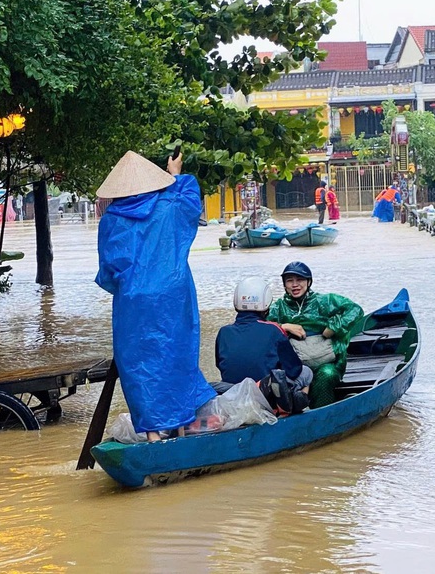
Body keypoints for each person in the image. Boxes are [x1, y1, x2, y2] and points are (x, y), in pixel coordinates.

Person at [96, 150, 216, 441]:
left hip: (133, 300)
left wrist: (130, 289)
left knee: (138, 364)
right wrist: (174, 173)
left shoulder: (111, 219)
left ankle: (152, 435)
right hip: (173, 296)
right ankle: (180, 428)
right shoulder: (171, 204)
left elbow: (109, 271)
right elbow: (190, 197)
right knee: (177, 355)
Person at [267, 262, 364, 409]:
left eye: (299, 280)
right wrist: (284, 327)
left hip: (326, 362)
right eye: (289, 280)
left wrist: (333, 327)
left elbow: (355, 310)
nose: (295, 285)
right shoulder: (278, 307)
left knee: (327, 374)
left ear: (308, 282)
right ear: (284, 284)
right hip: (293, 365)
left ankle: (321, 413)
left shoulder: (323, 301)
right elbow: (264, 329)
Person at [213, 277, 312, 415]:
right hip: (266, 396)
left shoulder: (224, 332)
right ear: (266, 305)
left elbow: (220, 364)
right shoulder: (274, 330)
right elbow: (294, 369)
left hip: (233, 393)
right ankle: (295, 411)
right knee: (306, 372)